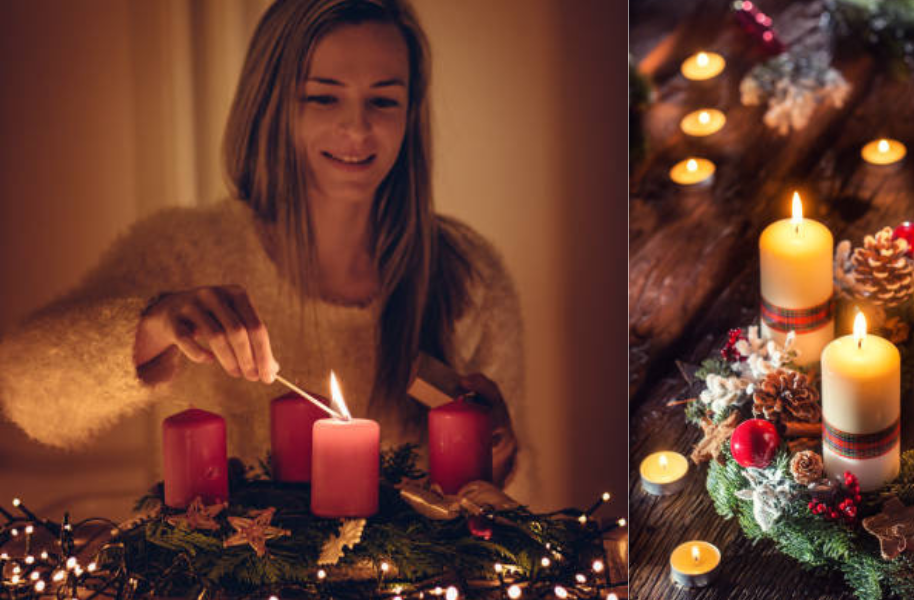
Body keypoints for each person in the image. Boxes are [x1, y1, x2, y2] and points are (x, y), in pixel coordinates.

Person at [0, 0, 523, 487]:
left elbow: (524, 516)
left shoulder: (468, 278)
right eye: (324, 96)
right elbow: (26, 392)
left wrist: (496, 458)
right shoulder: (187, 250)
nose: (357, 127)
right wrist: (156, 324)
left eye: (383, 100)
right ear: (274, 104)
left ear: (412, 115)